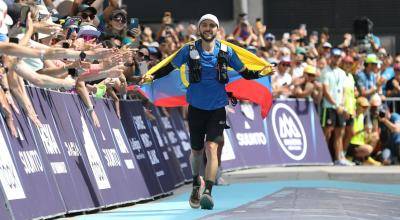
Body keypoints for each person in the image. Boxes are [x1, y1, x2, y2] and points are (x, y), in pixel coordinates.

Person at [142, 14, 272, 210]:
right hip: (195, 107)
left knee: (212, 148)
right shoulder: (189, 50)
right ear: (199, 29)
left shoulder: (226, 51)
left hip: (217, 108)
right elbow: (169, 67)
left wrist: (262, 72)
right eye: (205, 25)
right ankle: (196, 183)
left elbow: (245, 73)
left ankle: (208, 192)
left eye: (212, 26)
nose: (208, 29)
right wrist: (151, 75)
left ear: (217, 29)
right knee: (196, 151)